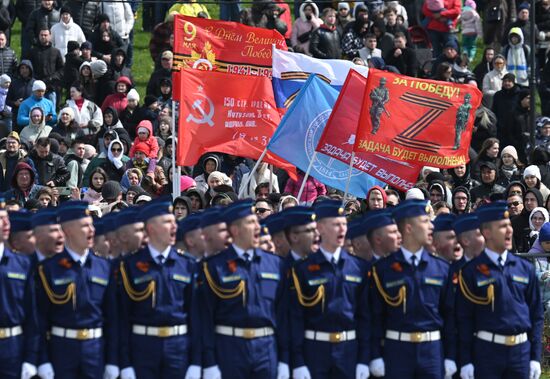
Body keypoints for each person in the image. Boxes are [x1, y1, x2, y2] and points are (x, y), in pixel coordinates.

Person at [198, 200, 289, 378]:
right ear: (235, 230)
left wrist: (284, 359)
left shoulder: (275, 264)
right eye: (250, 222)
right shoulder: (213, 267)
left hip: (266, 348)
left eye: (256, 221)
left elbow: (284, 315)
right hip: (229, 348)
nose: (257, 226)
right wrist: (209, 362)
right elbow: (204, 319)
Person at [456, 201, 543, 379]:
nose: (510, 231)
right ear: (487, 232)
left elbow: (536, 315)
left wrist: (535, 357)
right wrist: (465, 360)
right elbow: (464, 320)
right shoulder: (470, 271)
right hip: (487, 353)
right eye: (503, 227)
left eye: (509, 226)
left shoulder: (524, 268)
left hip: (520, 354)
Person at [35, 200, 119, 379]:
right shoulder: (48, 269)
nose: (91, 231)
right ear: (68, 231)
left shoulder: (105, 267)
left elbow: (113, 318)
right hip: (61, 349)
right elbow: (39, 320)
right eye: (84, 226)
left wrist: (112, 359)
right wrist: (42, 360)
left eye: (91, 226)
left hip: (95, 349)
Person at [370, 199, 453, 378]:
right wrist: (375, 355)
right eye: (424, 222)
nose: (431, 227)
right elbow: (375, 317)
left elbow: (450, 316)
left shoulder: (441, 268)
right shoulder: (382, 269)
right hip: (397, 351)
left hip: (432, 350)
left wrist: (451, 356)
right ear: (408, 228)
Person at [118, 198, 200, 379]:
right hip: (142, 346)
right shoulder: (130, 266)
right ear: (151, 228)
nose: (174, 227)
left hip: (178, 347)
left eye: (174, 222)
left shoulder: (187, 264)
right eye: (167, 223)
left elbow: (195, 316)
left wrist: (196, 361)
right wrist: (124, 363)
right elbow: (122, 318)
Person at [289, 200, 370, 379]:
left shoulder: (358, 267)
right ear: (320, 228)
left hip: (349, 350)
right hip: (315, 350)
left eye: (343, 224)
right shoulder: (302, 268)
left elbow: (365, 316)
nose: (342, 230)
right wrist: (298, 360)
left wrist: (364, 357)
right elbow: (296, 318)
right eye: (335, 225)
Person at [0, 204, 38, 379]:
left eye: (6, 218)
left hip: (12, 346)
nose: (5, 223)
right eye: (0, 219)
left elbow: (32, 315)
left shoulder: (22, 264)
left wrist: (30, 357)